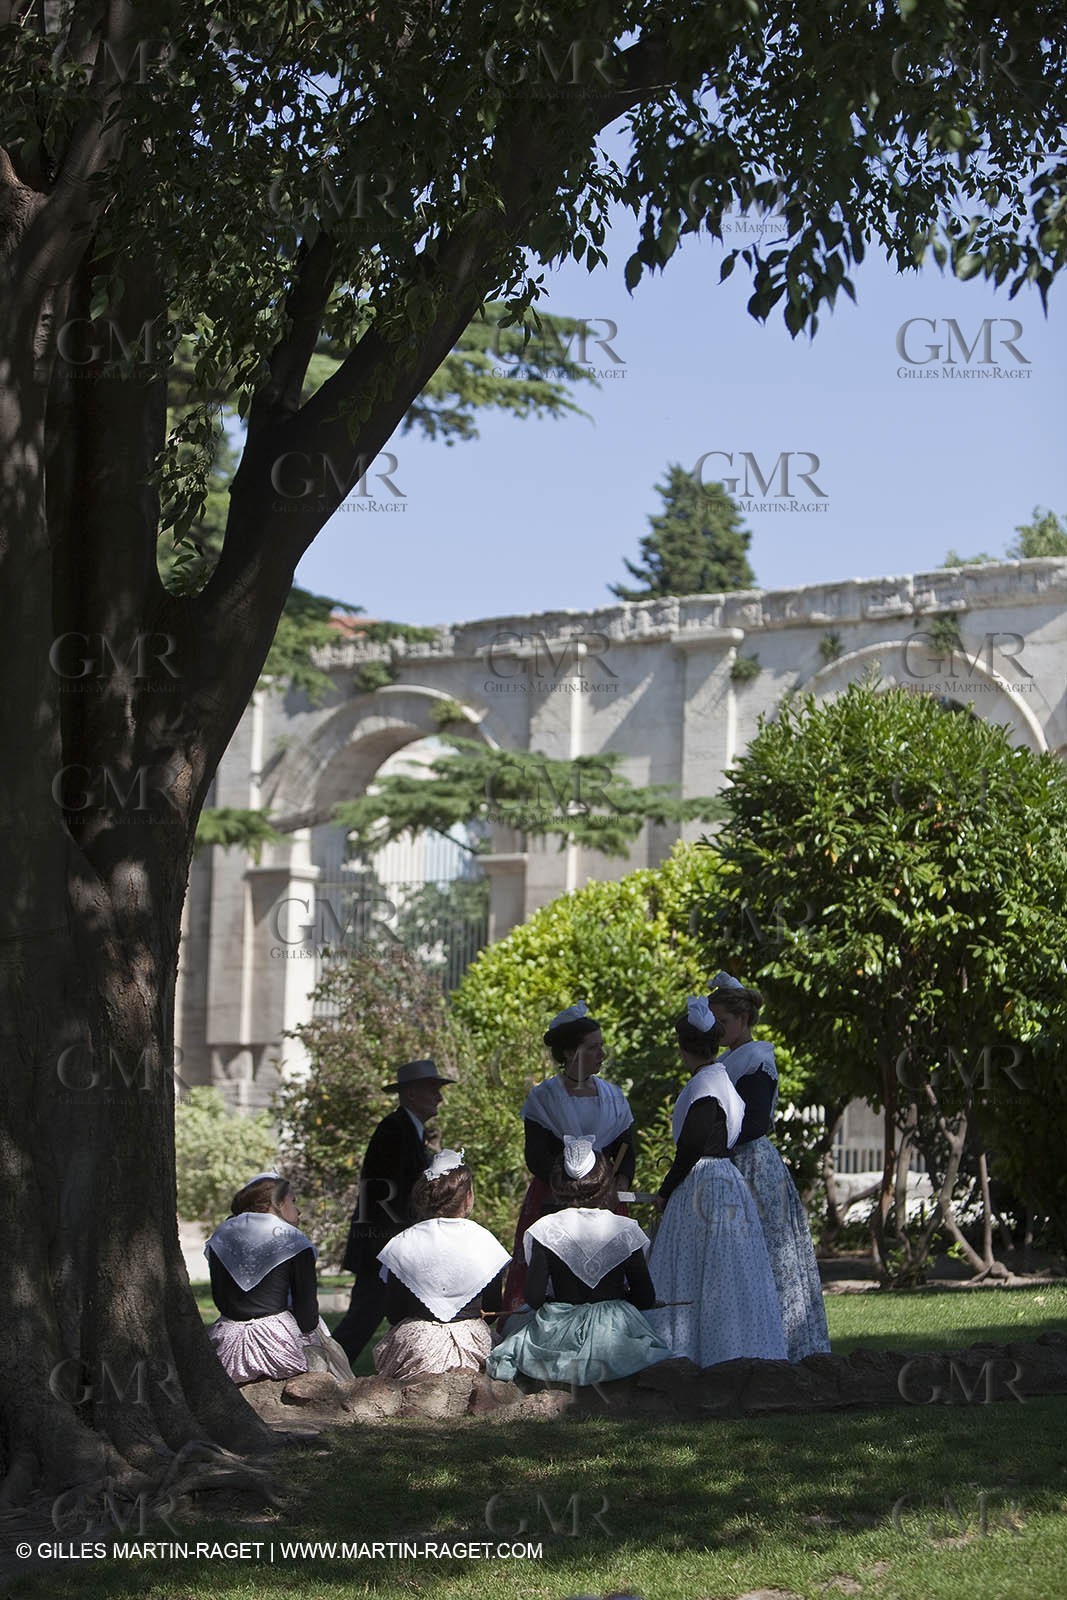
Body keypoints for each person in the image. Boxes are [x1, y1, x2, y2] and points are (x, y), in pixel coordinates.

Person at [646, 998, 787, 1368]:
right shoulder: (721, 1077)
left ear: (684, 1048)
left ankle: (702, 1352)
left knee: (700, 1266)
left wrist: (665, 1189)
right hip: (726, 1181)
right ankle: (724, 1348)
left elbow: (691, 1146)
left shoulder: (706, 1086)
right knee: (725, 1267)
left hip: (704, 1182)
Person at [708, 971, 831, 1362]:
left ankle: (783, 1340)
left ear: (743, 1019)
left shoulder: (756, 1059)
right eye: (713, 1021)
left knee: (770, 1251)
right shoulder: (728, 1060)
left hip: (752, 1165)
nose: (716, 1029)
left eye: (722, 1021)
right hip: (731, 1161)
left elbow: (755, 1122)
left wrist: (713, 1139)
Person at [489, 1137, 669, 1385]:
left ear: (558, 1183)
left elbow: (534, 1297)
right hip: (615, 1333)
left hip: (558, 1330)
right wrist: (621, 1299)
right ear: (605, 1182)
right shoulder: (626, 1229)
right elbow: (645, 1297)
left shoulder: (546, 1229)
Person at [502, 1002, 635, 1317]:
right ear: (569, 1053)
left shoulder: (613, 1097)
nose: (602, 1053)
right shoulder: (544, 1099)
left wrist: (621, 1179)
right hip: (554, 1196)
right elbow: (536, 1156)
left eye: (601, 1046)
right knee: (550, 1273)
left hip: (605, 1199)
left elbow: (627, 1147)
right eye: (593, 1047)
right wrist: (570, 1185)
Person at [333, 1058, 454, 1364]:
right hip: (383, 1246)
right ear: (411, 1093)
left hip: (391, 1244)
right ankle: (325, 1373)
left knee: (394, 1314)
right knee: (363, 1318)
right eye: (432, 1089)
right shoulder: (394, 1130)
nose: (439, 1097)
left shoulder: (408, 1130)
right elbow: (389, 1193)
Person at [372, 1150, 511, 1381]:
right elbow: (492, 1307)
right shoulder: (484, 1240)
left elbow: (394, 1313)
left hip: (418, 1347)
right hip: (472, 1344)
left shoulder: (404, 1242)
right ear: (468, 1197)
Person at [205, 1173, 352, 1385]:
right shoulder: (292, 1239)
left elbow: (220, 1297)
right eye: (293, 1201)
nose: (298, 1210)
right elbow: (307, 1316)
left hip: (226, 1345)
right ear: (278, 1204)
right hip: (280, 1346)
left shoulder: (221, 1236)